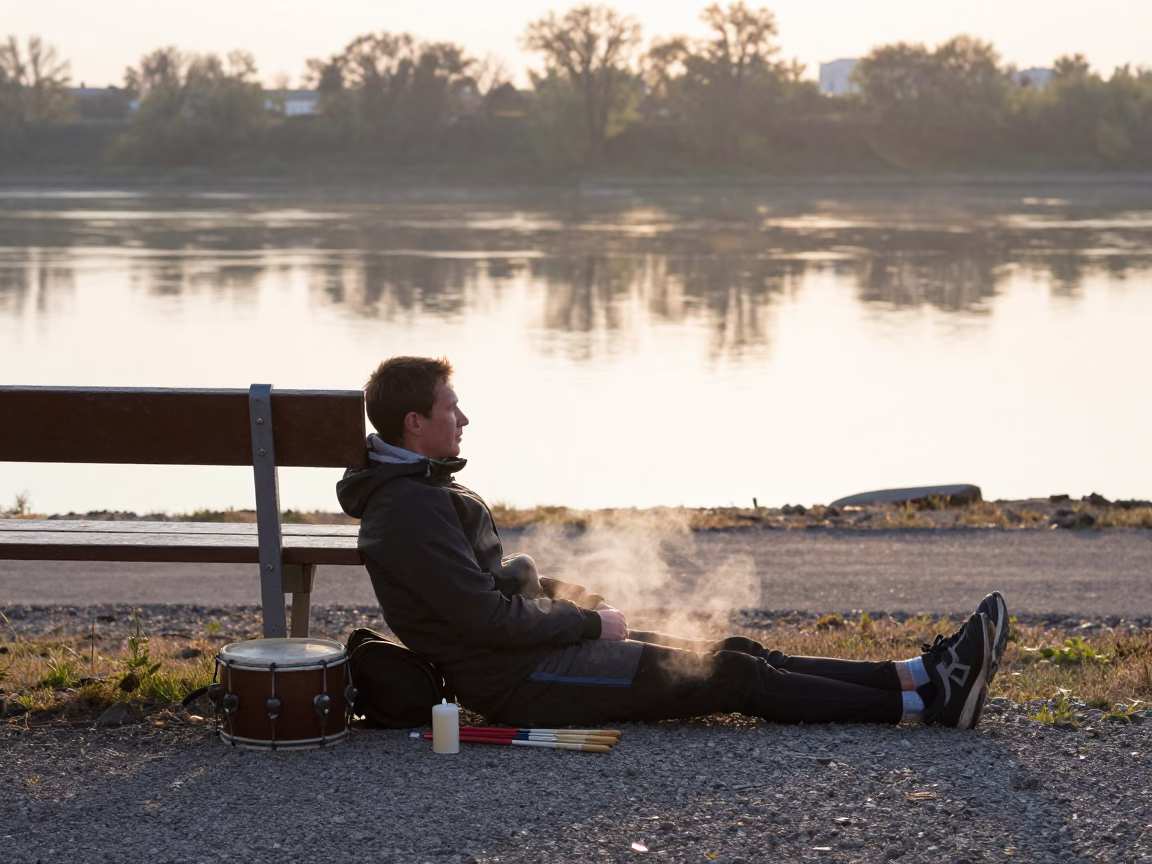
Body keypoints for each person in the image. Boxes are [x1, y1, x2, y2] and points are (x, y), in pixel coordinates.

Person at [337, 356, 1010, 729]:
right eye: (451, 408)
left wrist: (573, 601)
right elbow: (483, 619)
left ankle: (920, 674)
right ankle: (924, 705)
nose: (464, 418)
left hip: (537, 652)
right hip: (520, 681)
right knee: (732, 678)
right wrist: (585, 621)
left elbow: (497, 593)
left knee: (735, 652)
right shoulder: (407, 510)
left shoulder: (424, 491)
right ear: (415, 422)